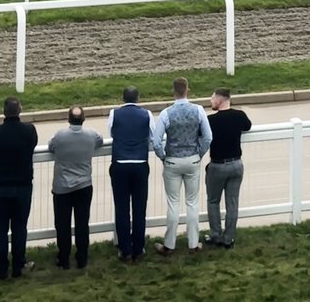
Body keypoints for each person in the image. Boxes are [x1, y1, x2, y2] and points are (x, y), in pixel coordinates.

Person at [0, 97, 38, 280]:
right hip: (22, 188)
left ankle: (1, 268)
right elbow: (32, 145)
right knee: (20, 228)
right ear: (20, 110)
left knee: (0, 230)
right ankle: (19, 265)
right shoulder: (29, 131)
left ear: (3, 112)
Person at [153, 77, 212, 256]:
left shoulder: (166, 114)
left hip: (172, 160)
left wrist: (164, 157)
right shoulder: (198, 110)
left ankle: (169, 244)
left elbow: (156, 142)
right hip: (192, 159)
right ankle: (193, 243)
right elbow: (208, 137)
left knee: (173, 204)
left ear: (173, 91)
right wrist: (199, 154)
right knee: (192, 202)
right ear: (188, 90)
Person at [48, 106, 104, 270]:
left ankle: (63, 258)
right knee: (82, 223)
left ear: (68, 119)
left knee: (62, 224)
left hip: (62, 188)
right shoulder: (91, 135)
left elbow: (51, 147)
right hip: (84, 186)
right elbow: (99, 141)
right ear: (84, 119)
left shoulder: (60, 136)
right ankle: (82, 258)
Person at [108, 85, 154, 264]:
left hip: (120, 163)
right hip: (140, 164)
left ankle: (125, 250)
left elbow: (111, 133)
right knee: (139, 209)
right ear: (138, 98)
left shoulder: (114, 113)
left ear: (123, 98)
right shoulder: (146, 114)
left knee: (122, 209)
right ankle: (139, 247)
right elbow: (152, 135)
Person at [205, 88, 252, 249]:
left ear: (220, 100)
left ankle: (215, 234)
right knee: (232, 203)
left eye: (212, 99)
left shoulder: (210, 120)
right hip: (236, 165)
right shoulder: (239, 116)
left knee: (213, 201)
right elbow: (248, 127)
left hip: (217, 165)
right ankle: (229, 238)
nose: (210, 102)